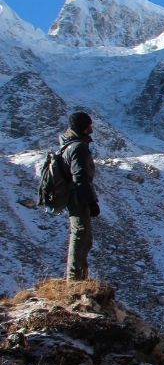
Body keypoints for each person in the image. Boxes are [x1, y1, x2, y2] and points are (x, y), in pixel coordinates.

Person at [61, 112, 100, 281]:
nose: (92, 129)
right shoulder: (78, 148)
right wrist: (92, 202)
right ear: (84, 127)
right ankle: (75, 279)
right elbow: (81, 178)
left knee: (83, 237)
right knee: (81, 236)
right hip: (78, 198)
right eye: (89, 125)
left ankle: (79, 276)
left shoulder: (69, 145)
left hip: (73, 196)